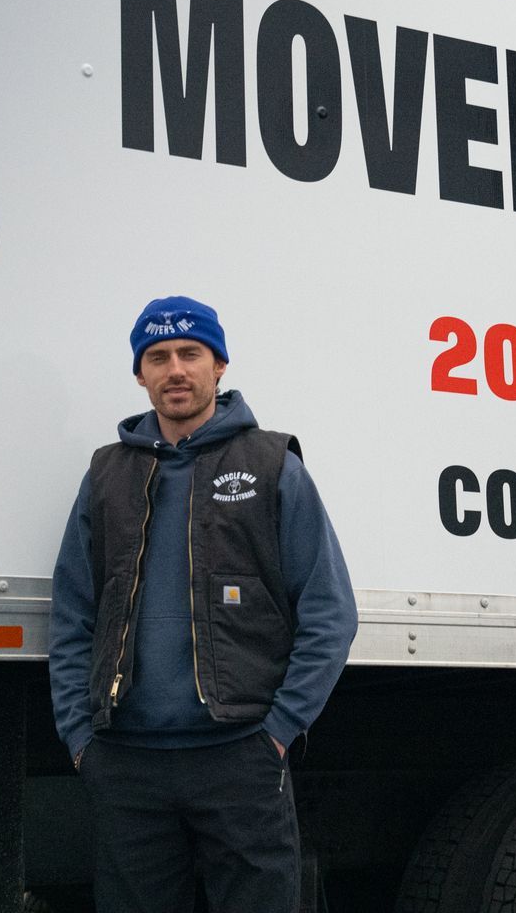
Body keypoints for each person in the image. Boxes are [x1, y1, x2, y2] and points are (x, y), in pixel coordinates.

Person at [49, 295, 357, 913]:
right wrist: (80, 736)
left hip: (238, 754)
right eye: (158, 357)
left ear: (219, 365)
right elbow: (72, 615)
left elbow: (329, 612)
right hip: (127, 763)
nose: (176, 369)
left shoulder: (272, 466)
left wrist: (276, 731)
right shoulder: (106, 474)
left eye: (191, 353)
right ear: (141, 374)